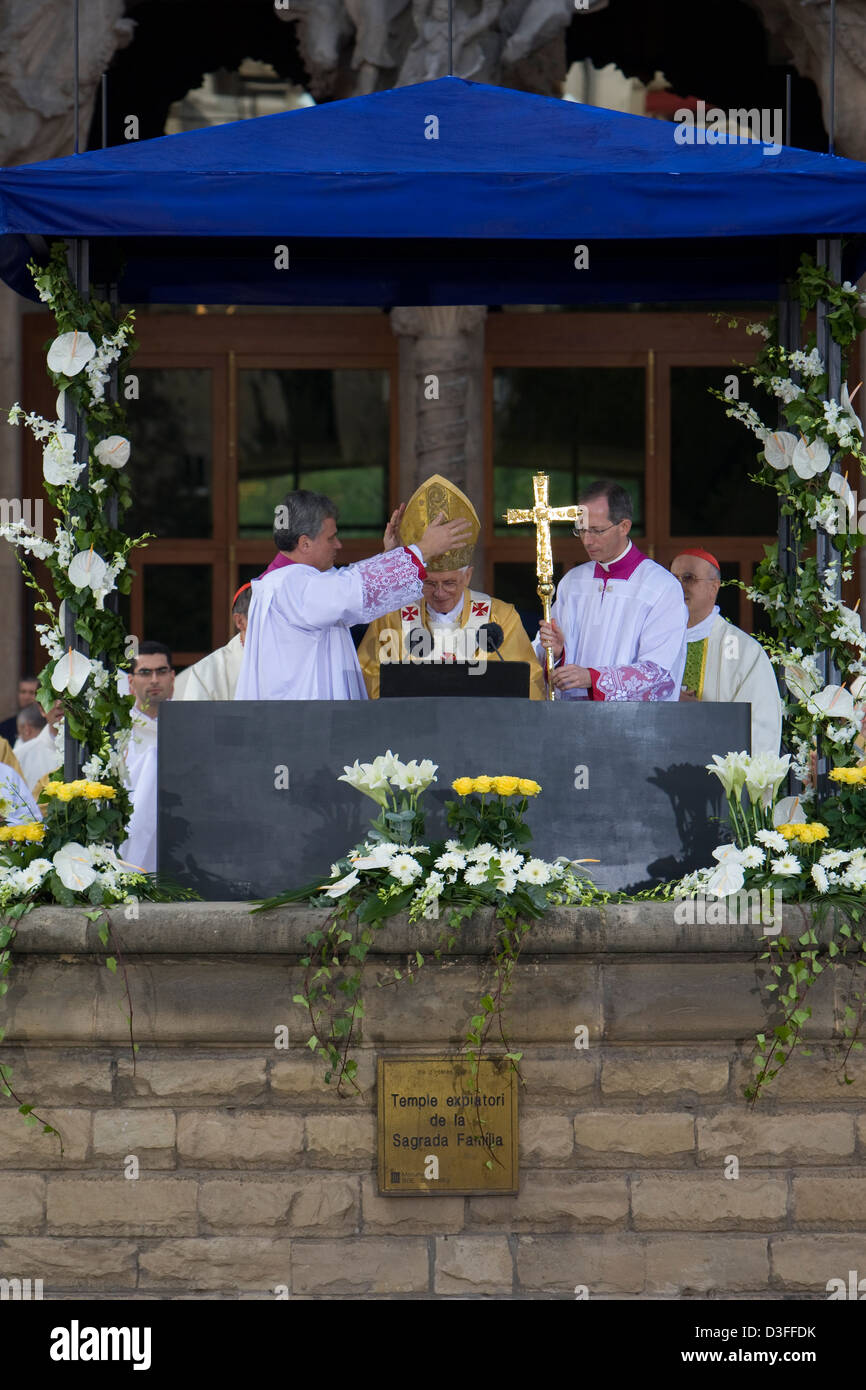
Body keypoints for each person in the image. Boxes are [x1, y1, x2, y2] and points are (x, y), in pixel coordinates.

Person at [235, 489, 472, 701]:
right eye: (331, 538)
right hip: (306, 728)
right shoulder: (293, 585)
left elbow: (345, 585)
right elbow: (354, 590)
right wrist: (424, 549)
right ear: (305, 543)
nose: (338, 545)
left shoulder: (286, 582)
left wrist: (391, 555)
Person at [357, 474, 545, 699]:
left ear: (467, 576)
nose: (439, 592)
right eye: (429, 583)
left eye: (449, 583)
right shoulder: (390, 619)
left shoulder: (500, 619)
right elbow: (368, 678)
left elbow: (527, 684)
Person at [537, 480, 688, 701]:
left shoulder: (661, 587)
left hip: (629, 725)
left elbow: (659, 673)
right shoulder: (573, 582)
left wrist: (593, 679)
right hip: (570, 720)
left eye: (597, 531)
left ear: (624, 526)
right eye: (581, 530)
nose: (587, 540)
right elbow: (549, 660)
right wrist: (559, 654)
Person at [671, 548, 782, 754]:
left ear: (714, 587)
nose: (678, 586)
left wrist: (700, 713)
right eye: (673, 578)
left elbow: (762, 727)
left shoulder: (745, 651)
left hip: (716, 775)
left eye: (688, 578)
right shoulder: (652, 641)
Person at [119, 641, 175, 873]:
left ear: (172, 677)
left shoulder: (191, 724)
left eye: (161, 671)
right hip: (131, 843)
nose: (154, 680)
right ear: (131, 681)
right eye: (145, 672)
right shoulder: (117, 732)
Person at [174, 585, 250, 702]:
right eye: (264, 618)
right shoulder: (208, 671)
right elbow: (196, 718)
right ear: (240, 621)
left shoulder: (287, 660)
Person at [0, 674, 38, 744]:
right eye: (23, 692)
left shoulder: (47, 725)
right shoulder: (4, 727)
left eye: (32, 692)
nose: (26, 697)